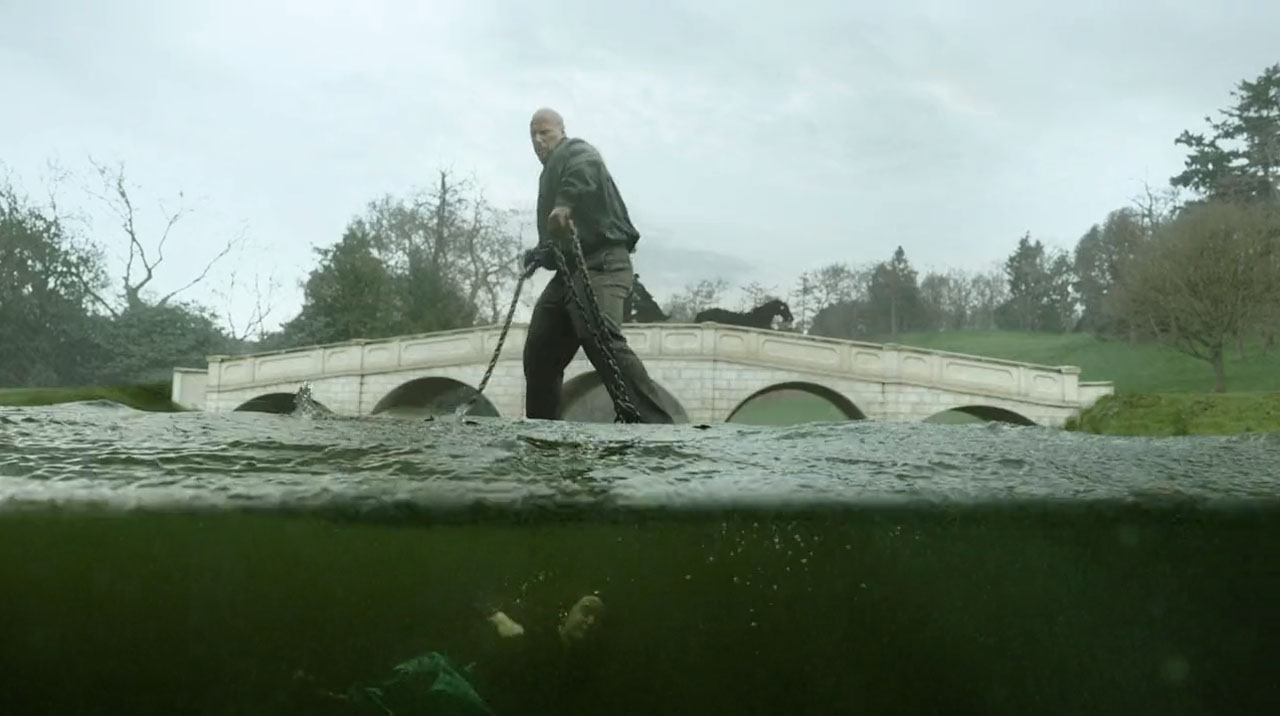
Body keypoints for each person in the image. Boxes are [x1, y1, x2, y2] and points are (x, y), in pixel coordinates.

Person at [521, 107, 674, 424]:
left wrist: (564, 203)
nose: (538, 140)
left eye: (544, 133)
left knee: (599, 336)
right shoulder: (547, 175)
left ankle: (654, 424)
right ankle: (541, 430)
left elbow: (584, 171)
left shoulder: (577, 151)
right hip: (569, 273)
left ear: (561, 132)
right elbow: (556, 239)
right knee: (539, 350)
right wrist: (539, 254)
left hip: (604, 263)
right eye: (533, 135)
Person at [285, 593, 608, 716]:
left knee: (434, 668)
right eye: (587, 610)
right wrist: (499, 617)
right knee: (432, 671)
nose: (590, 621)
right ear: (568, 610)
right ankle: (344, 703)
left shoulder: (580, 671)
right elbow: (480, 597)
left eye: (598, 618)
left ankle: (344, 704)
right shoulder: (540, 629)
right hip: (476, 695)